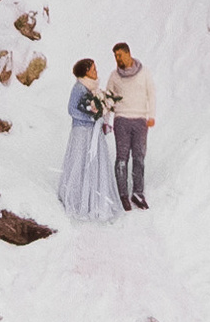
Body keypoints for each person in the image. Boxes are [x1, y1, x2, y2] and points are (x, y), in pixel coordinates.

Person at [57, 58, 124, 222]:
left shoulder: (92, 88)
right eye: (93, 69)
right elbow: (72, 109)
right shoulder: (79, 87)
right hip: (82, 132)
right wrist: (92, 118)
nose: (96, 71)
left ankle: (94, 200)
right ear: (85, 71)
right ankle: (80, 199)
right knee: (81, 162)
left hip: (93, 132)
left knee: (94, 163)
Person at [106, 41, 153, 211]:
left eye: (119, 55)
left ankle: (138, 193)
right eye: (115, 56)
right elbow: (108, 98)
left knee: (139, 158)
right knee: (122, 159)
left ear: (128, 53)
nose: (117, 58)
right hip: (122, 121)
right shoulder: (114, 76)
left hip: (140, 119)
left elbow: (151, 93)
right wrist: (106, 120)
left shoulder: (144, 73)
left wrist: (151, 116)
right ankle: (123, 194)